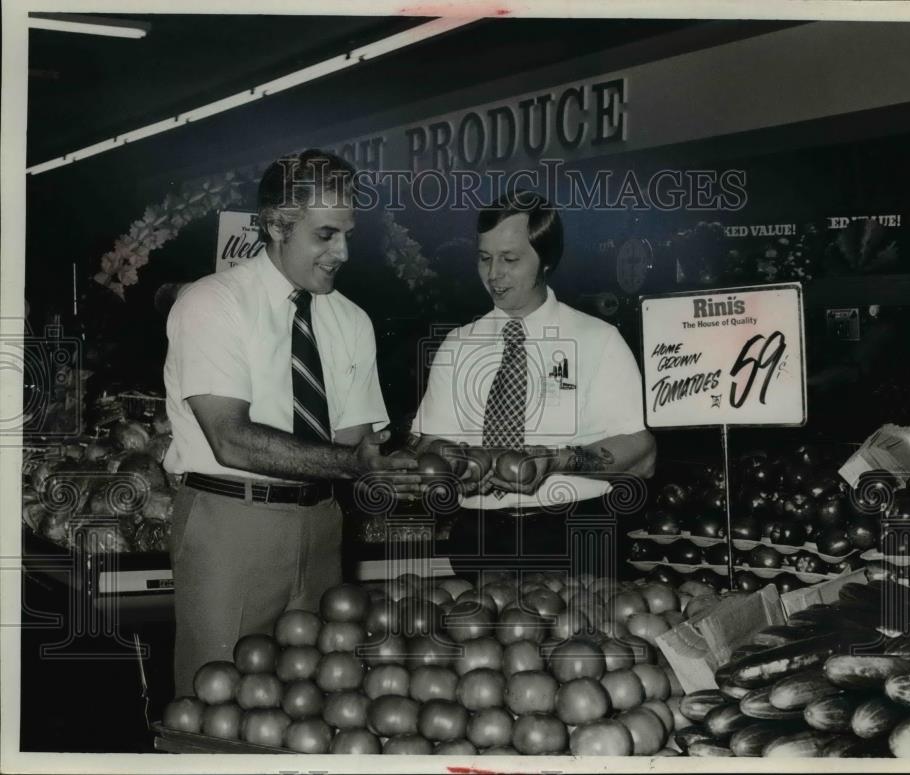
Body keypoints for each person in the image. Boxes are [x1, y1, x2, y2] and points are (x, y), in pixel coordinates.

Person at [162, 149, 418, 695]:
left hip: (324, 524)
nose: (342, 251)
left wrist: (410, 467)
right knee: (218, 704)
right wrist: (353, 461)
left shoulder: (352, 320)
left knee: (314, 703)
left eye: (348, 234)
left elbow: (357, 444)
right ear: (279, 225)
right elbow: (230, 438)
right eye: (326, 234)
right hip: (231, 524)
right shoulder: (212, 303)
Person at [411, 191, 656, 577]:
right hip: (479, 539)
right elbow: (425, 443)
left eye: (510, 259)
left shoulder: (598, 340)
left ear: (546, 261)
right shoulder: (457, 345)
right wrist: (453, 461)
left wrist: (556, 460)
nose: (494, 274)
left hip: (576, 535)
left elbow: (641, 455)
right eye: (485, 258)